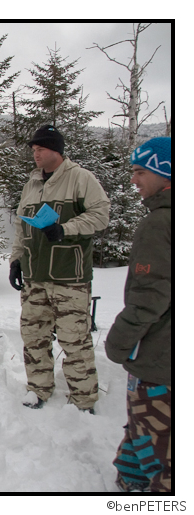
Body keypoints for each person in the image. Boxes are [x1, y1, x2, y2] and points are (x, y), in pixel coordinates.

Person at [9, 125, 110, 412]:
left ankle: (84, 399)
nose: (36, 154)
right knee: (34, 335)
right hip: (35, 276)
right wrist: (16, 260)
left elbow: (101, 215)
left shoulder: (80, 178)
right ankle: (38, 388)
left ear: (56, 151)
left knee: (74, 339)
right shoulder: (32, 183)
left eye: (40, 149)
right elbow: (20, 225)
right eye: (33, 150)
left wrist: (66, 229)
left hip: (69, 277)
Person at [105, 137, 171, 492]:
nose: (134, 180)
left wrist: (118, 342)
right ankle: (129, 480)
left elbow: (150, 296)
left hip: (158, 357)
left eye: (140, 171)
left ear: (167, 175)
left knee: (159, 448)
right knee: (141, 430)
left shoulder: (160, 223)